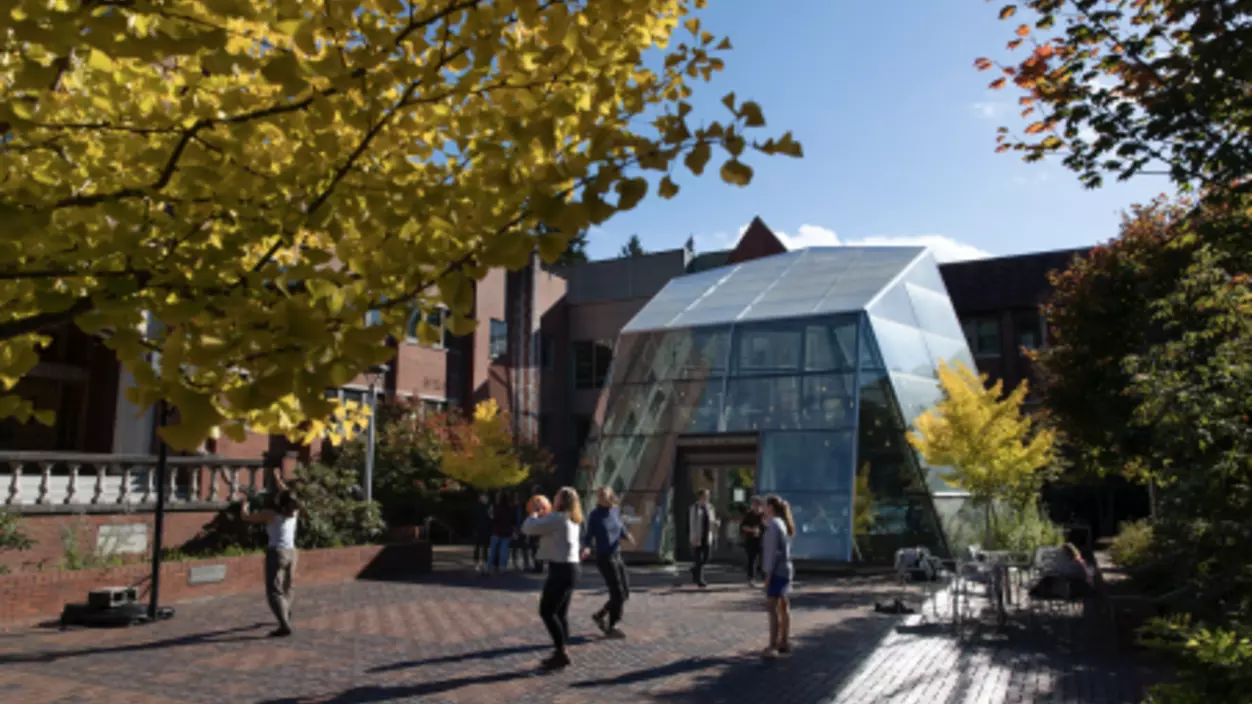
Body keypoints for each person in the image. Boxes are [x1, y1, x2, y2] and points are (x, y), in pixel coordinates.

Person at [521, 487, 584, 670]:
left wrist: (533, 513)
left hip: (561, 570)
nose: (553, 499)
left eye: (555, 496)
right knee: (560, 613)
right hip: (572, 568)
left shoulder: (557, 518)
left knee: (547, 611)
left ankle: (561, 651)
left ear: (561, 501)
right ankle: (562, 648)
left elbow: (528, 528)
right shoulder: (573, 519)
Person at [238, 472, 301, 638]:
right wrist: (278, 479)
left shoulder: (271, 515)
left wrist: (244, 504)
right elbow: (288, 495)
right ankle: (286, 612)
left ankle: (284, 624)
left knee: (274, 590)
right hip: (292, 553)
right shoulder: (294, 513)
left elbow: (246, 517)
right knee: (288, 586)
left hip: (277, 552)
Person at [581, 487, 634, 638]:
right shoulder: (595, 515)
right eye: (599, 496)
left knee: (625, 592)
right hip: (604, 557)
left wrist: (627, 535)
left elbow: (620, 527)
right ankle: (613, 625)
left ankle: (600, 615)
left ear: (611, 496)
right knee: (617, 592)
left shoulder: (615, 511)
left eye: (603, 495)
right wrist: (586, 548)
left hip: (617, 554)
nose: (601, 498)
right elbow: (588, 535)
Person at [760, 494, 795, 660]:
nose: (763, 509)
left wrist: (768, 574)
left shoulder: (774, 525)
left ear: (771, 508)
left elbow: (772, 553)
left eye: (765, 506)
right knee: (783, 605)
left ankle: (772, 645)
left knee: (772, 607)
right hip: (786, 569)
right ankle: (784, 640)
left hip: (777, 571)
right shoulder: (781, 523)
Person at [688, 489, 718, 588]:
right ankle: (700, 580)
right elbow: (692, 523)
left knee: (706, 558)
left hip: (707, 536)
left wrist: (716, 524)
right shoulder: (695, 507)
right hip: (698, 536)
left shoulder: (710, 507)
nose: (707, 497)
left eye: (708, 495)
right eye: (705, 495)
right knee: (698, 558)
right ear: (700, 496)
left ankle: (694, 569)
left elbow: (712, 520)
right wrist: (694, 536)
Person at [739, 496, 766, 587]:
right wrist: (751, 530)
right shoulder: (749, 514)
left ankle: (765, 578)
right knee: (752, 560)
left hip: (762, 540)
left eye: (757, 504)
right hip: (751, 540)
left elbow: (767, 527)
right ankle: (751, 578)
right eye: (754, 504)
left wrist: (762, 529)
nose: (756, 506)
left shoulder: (764, 515)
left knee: (763, 560)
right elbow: (742, 527)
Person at [489, 493, 516, 576]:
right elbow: (513, 521)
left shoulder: (496, 508)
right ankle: (503, 566)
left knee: (493, 550)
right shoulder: (510, 508)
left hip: (497, 531)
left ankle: (490, 566)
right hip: (507, 531)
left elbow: (493, 518)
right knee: (504, 550)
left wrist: (490, 513)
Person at [472, 492, 492, 575]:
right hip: (479, 528)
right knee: (478, 546)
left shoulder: (488, 507)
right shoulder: (478, 507)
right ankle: (477, 563)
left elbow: (490, 518)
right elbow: (475, 519)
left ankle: (484, 562)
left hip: (486, 529)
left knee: (485, 547)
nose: (485, 499)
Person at [510, 490, 531, 571]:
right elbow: (511, 519)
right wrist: (513, 529)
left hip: (523, 529)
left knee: (524, 547)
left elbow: (526, 518)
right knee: (515, 547)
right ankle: (515, 563)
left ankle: (526, 564)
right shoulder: (513, 507)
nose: (517, 500)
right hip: (516, 529)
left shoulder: (524, 507)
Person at [527, 483, 544, 573]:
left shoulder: (534, 502)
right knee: (539, 548)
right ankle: (539, 566)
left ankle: (537, 566)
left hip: (535, 527)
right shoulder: (545, 502)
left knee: (534, 548)